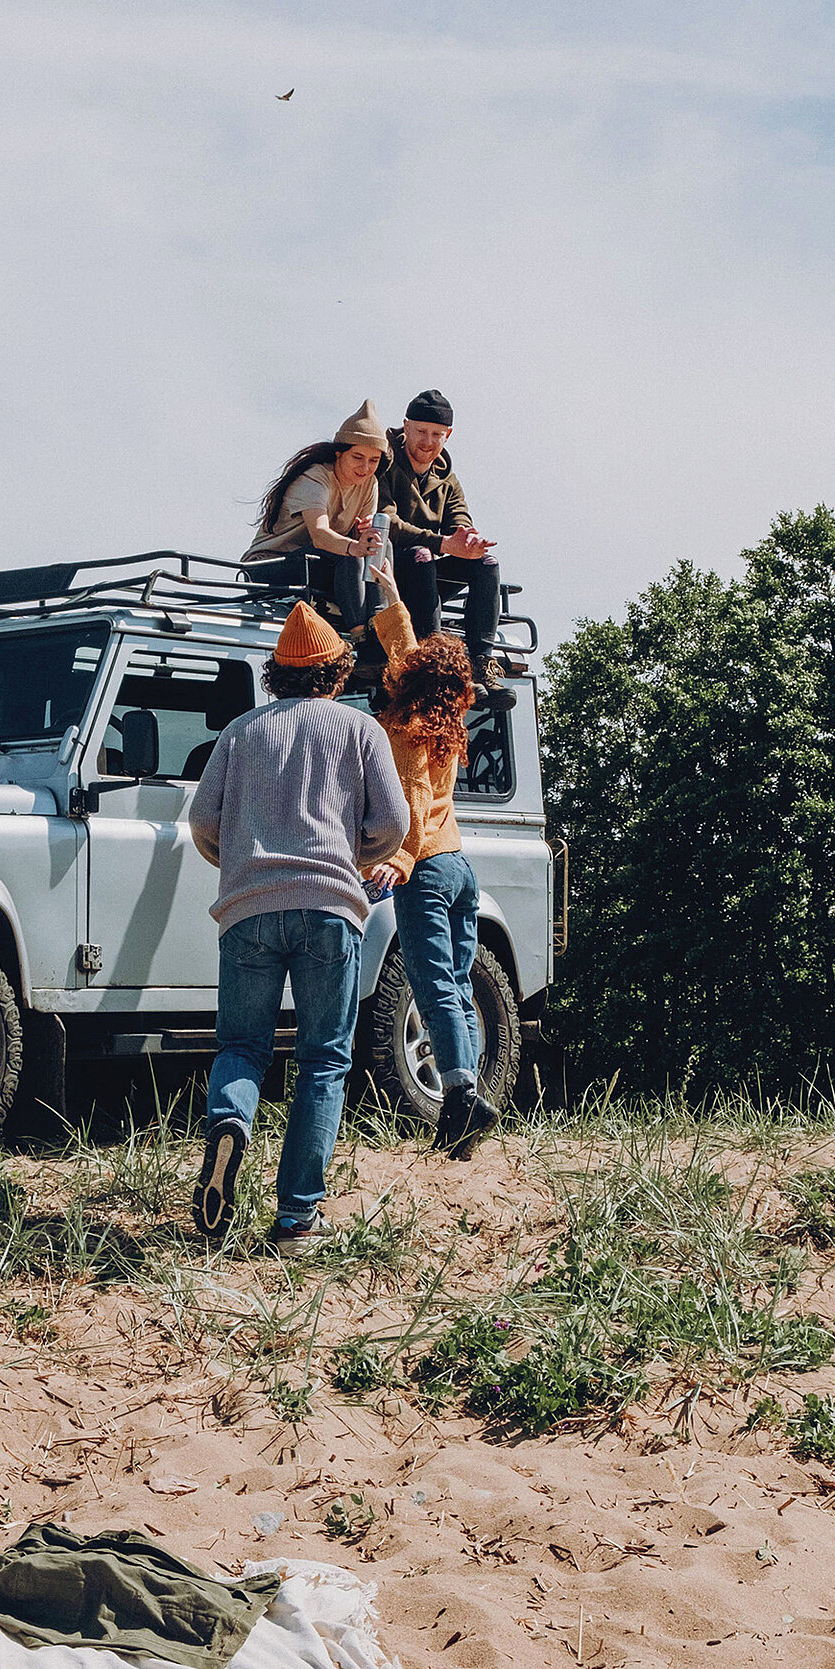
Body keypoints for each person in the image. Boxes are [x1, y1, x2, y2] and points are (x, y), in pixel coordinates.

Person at [188, 600, 410, 1254]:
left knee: (242, 1047)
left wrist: (237, 860)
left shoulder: (241, 732)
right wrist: (357, 855)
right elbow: (394, 826)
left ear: (274, 675)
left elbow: (203, 822)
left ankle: (230, 1124)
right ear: (338, 673)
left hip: (248, 910)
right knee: (322, 1060)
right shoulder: (359, 729)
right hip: (330, 910)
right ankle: (296, 1220)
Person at [365, 543, 500, 1159]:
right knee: (457, 981)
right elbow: (403, 645)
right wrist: (389, 585)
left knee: (433, 983)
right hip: (460, 866)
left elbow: (414, 801)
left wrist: (400, 856)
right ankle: (466, 1102)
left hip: (425, 866)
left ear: (417, 675)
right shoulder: (451, 710)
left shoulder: (409, 724)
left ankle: (462, 1093)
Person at [379, 389, 508, 698]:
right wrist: (443, 544)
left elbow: (459, 520)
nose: (428, 441)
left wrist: (469, 541)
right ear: (406, 426)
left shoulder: (448, 479)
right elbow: (387, 524)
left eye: (436, 434)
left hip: (428, 579)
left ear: (448, 435)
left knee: (486, 563)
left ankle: (481, 662)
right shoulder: (383, 463)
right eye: (421, 431)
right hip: (389, 574)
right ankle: (435, 659)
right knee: (423, 555)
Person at [241, 401, 389, 657]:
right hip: (269, 568)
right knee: (351, 552)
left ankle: (379, 624)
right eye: (357, 457)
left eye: (373, 461)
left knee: (380, 543)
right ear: (338, 453)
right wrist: (355, 545)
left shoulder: (370, 484)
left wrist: (365, 537)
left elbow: (365, 545)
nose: (365, 468)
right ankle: (359, 637)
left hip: (321, 565)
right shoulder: (315, 477)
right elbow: (320, 535)